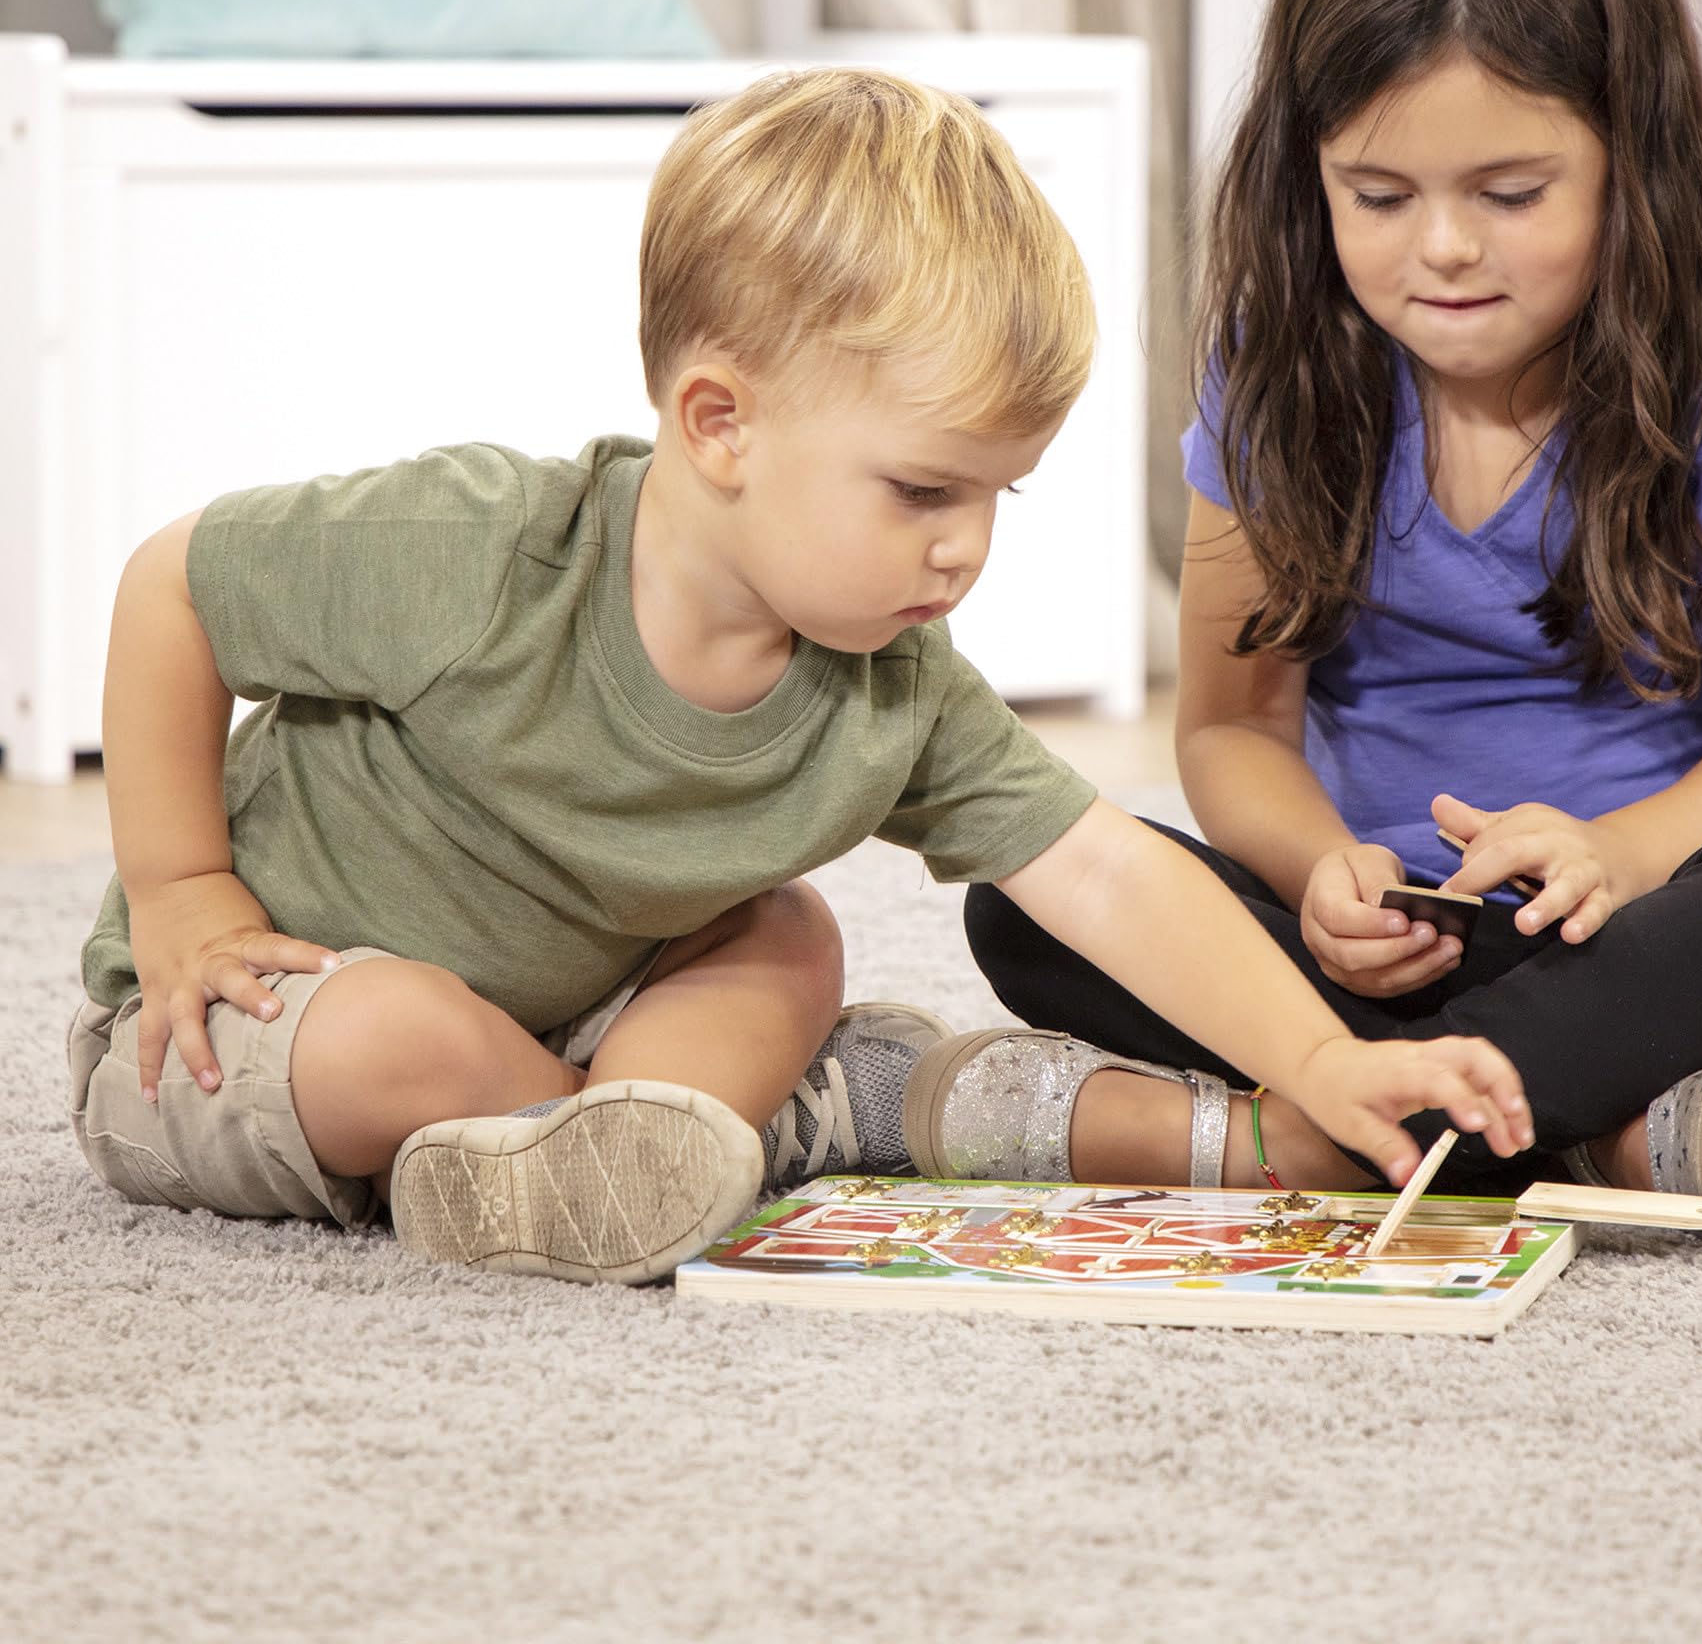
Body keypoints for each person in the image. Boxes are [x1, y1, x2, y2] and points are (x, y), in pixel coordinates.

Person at [68, 66, 1532, 1287]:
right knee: (402, 1035)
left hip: (587, 1009)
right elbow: (174, 588)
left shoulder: (892, 680)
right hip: (256, 1015)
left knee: (787, 937)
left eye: (995, 500)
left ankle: (627, 1145)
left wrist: (1323, 1056)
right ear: (719, 425)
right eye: (919, 492)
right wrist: (189, 892)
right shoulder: (484, 550)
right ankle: (738, 1131)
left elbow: (1101, 872)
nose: (960, 551)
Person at [934, 0, 1702, 1243]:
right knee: (1031, 901)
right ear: (1310, 173)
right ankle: (1586, 1133)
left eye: (1509, 196)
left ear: (1627, 165)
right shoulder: (1278, 381)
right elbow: (1232, 732)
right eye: (1378, 197)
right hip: (1368, 958)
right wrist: (1315, 869)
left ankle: (1348, 1133)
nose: (1442, 247)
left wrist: (1621, 857)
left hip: (1626, 935)